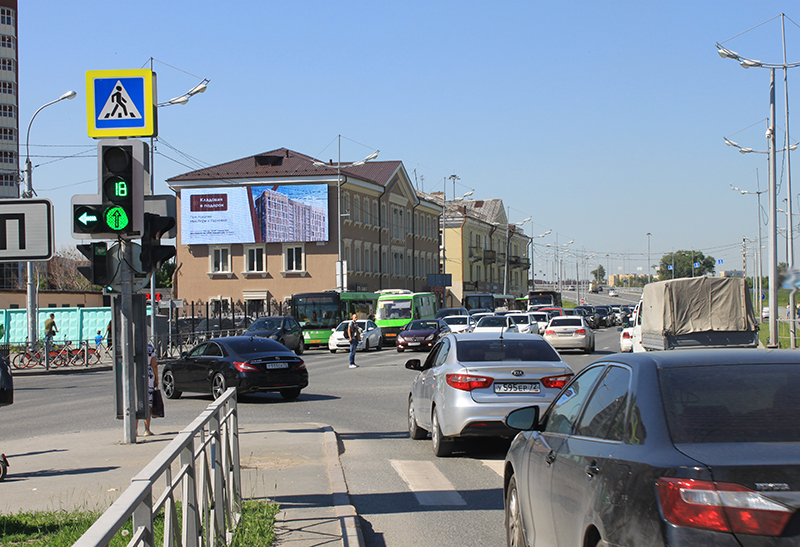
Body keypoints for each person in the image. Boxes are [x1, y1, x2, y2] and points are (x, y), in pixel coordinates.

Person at [137, 343, 159, 437]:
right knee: (148, 403)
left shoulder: (132, 347)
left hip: (135, 375)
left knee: (136, 402)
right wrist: (156, 378)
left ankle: (134, 430)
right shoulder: (150, 348)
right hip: (148, 376)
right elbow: (154, 365)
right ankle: (147, 429)